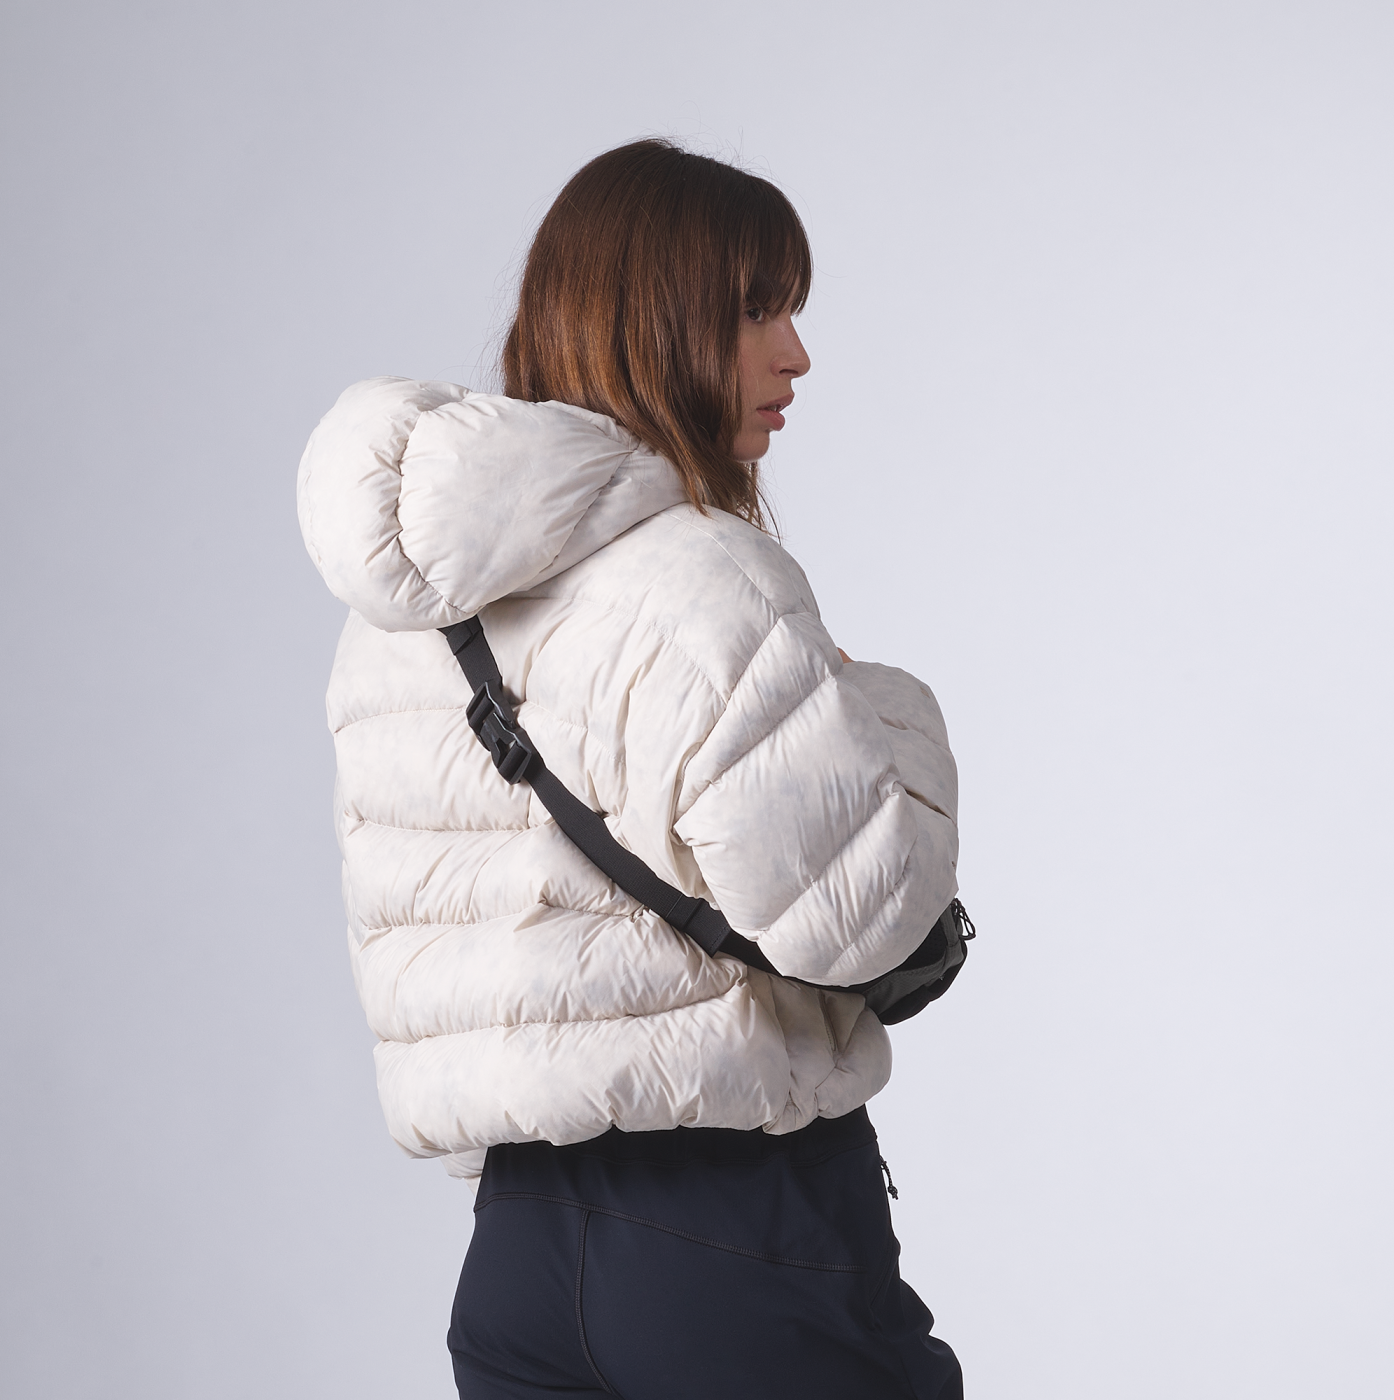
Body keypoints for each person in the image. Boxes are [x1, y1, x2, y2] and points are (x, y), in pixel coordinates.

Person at [297, 138, 964, 1399]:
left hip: (517, 1255)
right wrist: (883, 705)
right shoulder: (700, 576)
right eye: (756, 310)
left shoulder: (398, 626)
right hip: (735, 1232)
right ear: (655, 320)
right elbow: (867, 916)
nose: (794, 354)